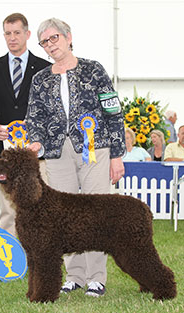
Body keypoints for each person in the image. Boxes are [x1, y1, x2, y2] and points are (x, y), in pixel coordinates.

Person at [25, 18, 125, 297]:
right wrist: (35, 140)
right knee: (62, 216)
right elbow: (33, 118)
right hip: (56, 152)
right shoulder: (40, 79)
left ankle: (97, 277)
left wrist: (117, 155)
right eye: (44, 42)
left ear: (69, 37)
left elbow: (113, 111)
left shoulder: (94, 70)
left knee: (95, 212)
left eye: (54, 38)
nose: (50, 45)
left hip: (95, 148)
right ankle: (75, 275)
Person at [0, 13, 50, 237]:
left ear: (27, 34)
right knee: (8, 211)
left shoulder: (45, 68)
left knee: (39, 209)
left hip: (36, 154)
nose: (12, 38)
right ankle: (9, 263)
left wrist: (38, 135)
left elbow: (51, 111)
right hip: (5, 154)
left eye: (17, 33)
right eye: (8, 33)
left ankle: (38, 258)